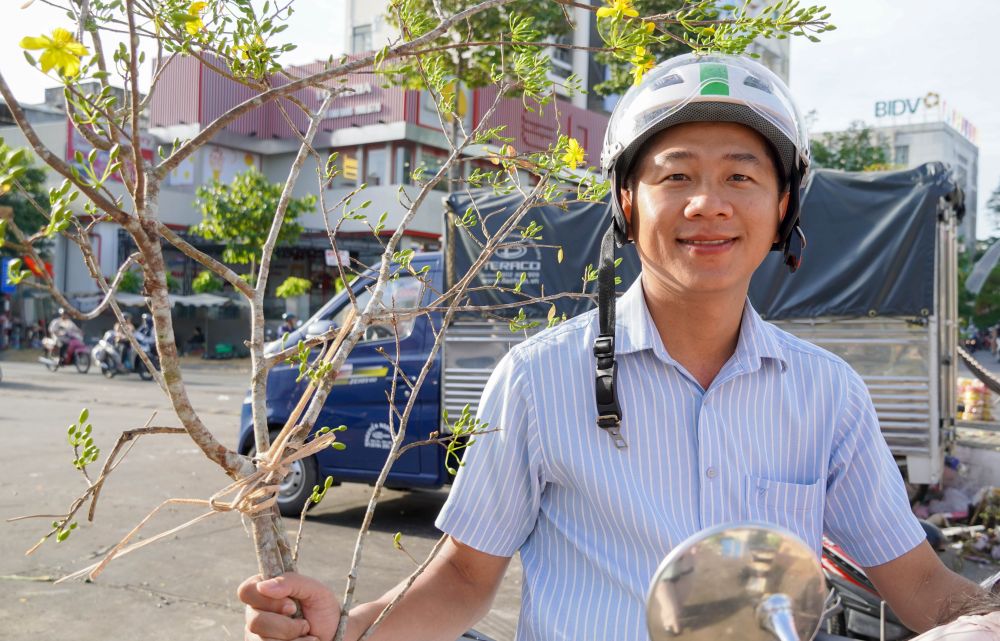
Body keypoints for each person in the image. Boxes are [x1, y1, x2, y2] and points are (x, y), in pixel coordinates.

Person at [239, 53, 987, 641]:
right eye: (676, 175)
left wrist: (984, 614)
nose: (709, 203)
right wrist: (347, 629)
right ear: (627, 201)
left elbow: (919, 585)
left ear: (783, 205)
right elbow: (464, 576)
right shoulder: (538, 379)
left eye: (741, 175)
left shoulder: (829, 394)